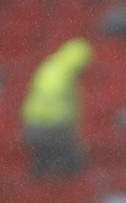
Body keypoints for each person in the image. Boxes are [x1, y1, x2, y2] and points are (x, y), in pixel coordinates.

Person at [22, 38, 92, 177]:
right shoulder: (66, 74)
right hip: (51, 125)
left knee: (44, 159)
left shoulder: (49, 66)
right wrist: (72, 123)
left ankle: (43, 178)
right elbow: (62, 105)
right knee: (73, 160)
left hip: (32, 123)